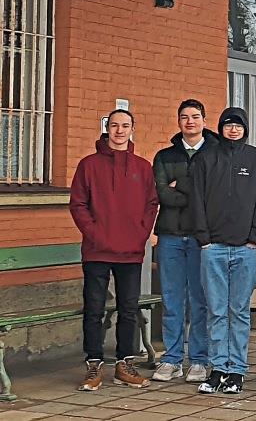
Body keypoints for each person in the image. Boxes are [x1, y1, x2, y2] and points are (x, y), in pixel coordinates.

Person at [70, 109, 158, 391]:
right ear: (107, 128)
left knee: (129, 309)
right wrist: (95, 234)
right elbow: (78, 204)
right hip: (97, 250)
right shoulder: (88, 165)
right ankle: (93, 365)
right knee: (94, 309)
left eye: (125, 125)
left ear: (133, 129)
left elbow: (151, 204)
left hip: (130, 251)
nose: (119, 130)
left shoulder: (143, 167)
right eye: (114, 125)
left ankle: (124, 364)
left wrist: (140, 235)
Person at [189, 107, 256, 395]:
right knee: (216, 311)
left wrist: (254, 237)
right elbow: (196, 199)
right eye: (228, 125)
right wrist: (204, 238)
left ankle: (237, 370)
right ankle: (217, 368)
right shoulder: (205, 157)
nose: (233, 130)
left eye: (238, 125)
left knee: (239, 311)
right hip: (213, 248)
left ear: (245, 128)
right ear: (221, 128)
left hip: (245, 248)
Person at [151, 99, 218, 384]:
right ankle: (172, 358)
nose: (189, 121)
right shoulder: (165, 156)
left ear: (204, 120)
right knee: (172, 299)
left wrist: (183, 186)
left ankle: (200, 360)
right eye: (184, 117)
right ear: (178, 122)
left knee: (200, 299)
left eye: (195, 116)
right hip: (170, 235)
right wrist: (195, 192)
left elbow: (214, 195)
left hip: (202, 237)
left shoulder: (215, 153)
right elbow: (162, 194)